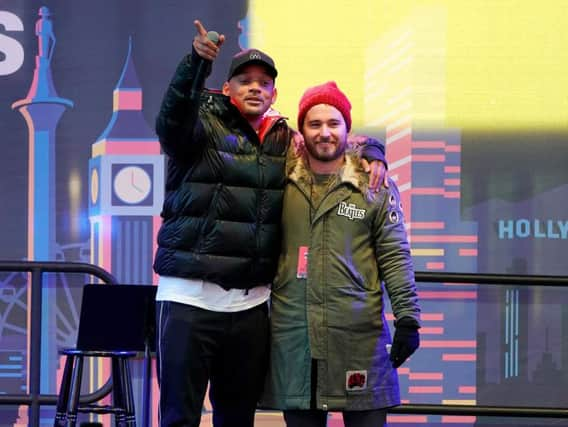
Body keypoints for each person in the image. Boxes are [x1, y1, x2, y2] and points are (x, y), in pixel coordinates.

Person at [153, 20, 388, 427]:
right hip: (189, 300)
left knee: (237, 418)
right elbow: (170, 120)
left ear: (274, 93)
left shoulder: (284, 139)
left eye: (264, 82)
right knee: (179, 417)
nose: (255, 88)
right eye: (244, 80)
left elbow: (329, 136)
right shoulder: (199, 126)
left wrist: (373, 149)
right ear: (227, 89)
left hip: (251, 308)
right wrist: (195, 64)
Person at [262, 81, 421, 427]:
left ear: (348, 129)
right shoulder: (278, 178)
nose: (324, 133)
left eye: (333, 123)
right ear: (302, 131)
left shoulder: (372, 183)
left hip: (358, 335)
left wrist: (408, 318)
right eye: (314, 124)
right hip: (296, 334)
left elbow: (394, 254)